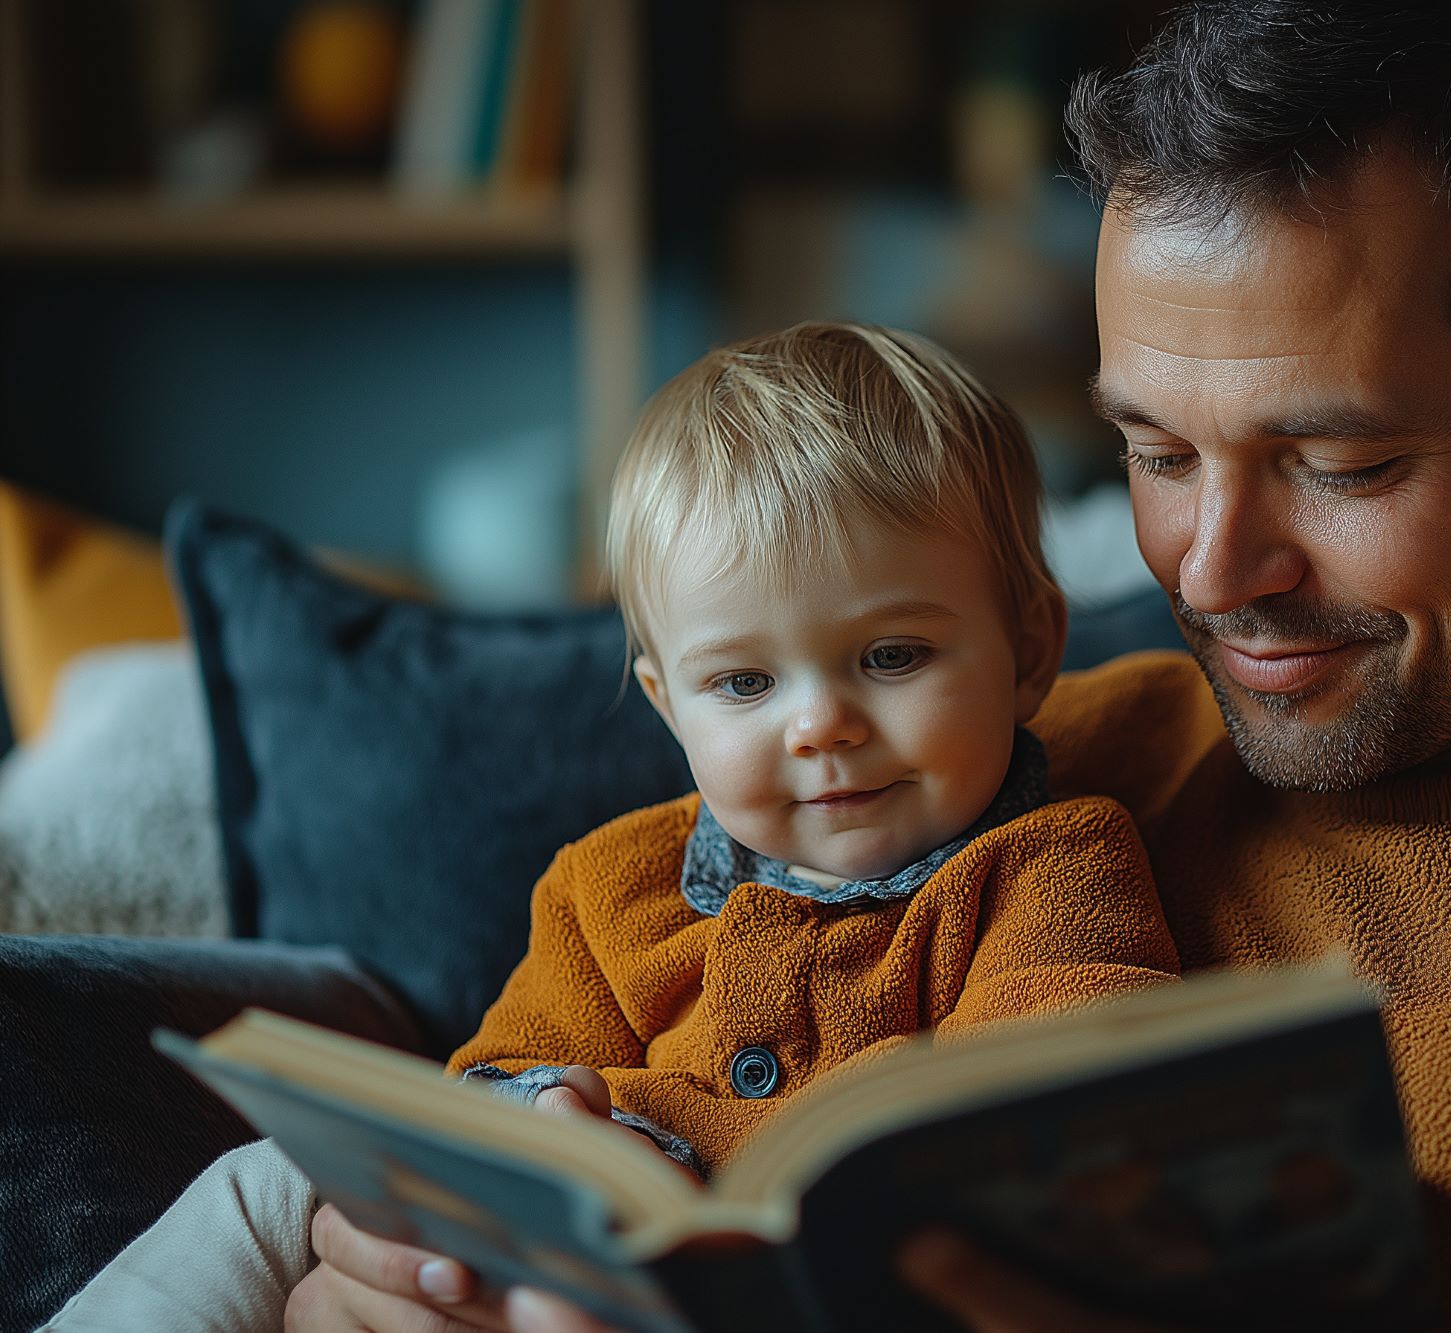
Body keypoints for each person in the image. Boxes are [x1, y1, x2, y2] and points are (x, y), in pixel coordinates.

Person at [294, 1, 1451, 1329]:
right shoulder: (1009, 764)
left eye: (1339, 465)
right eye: (1158, 455)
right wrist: (372, 1283)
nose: (1208, 570)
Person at [43, 321, 1179, 1332]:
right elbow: (499, 1064)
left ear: (1029, 652)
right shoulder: (611, 882)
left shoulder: (1055, 862)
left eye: (890, 656)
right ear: (664, 702)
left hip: (859, 1279)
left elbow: (1048, 1111)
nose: (820, 725)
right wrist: (554, 1120)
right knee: (274, 1175)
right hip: (600, 1258)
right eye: (742, 684)